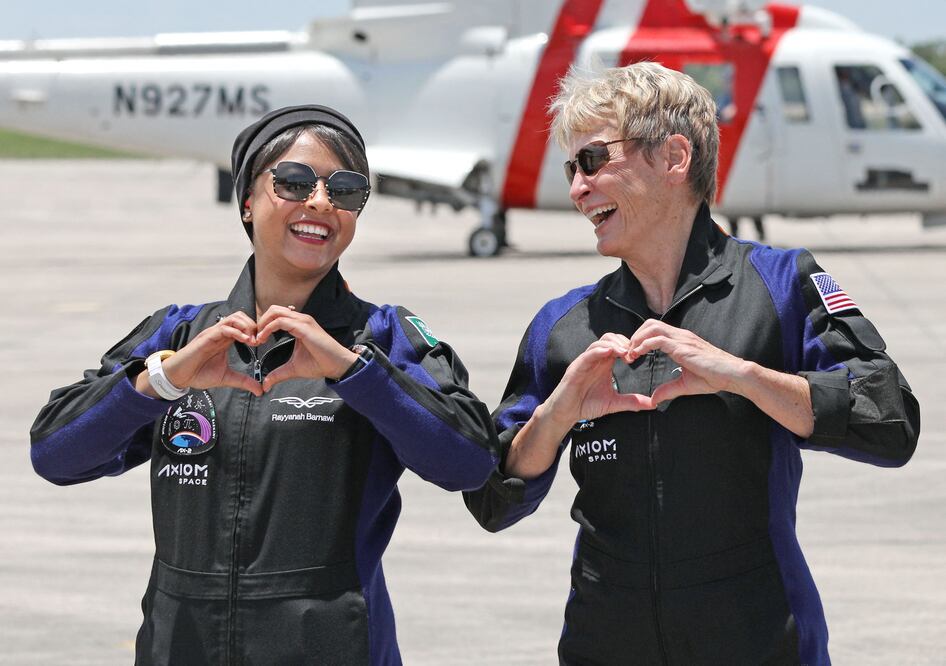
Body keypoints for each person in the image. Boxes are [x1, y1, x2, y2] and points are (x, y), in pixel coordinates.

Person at [464, 63, 919, 665]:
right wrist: (558, 413)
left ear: (675, 156)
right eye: (572, 168)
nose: (578, 187)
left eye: (595, 159)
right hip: (606, 642)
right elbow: (493, 498)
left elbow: (890, 420)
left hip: (761, 639)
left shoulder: (780, 284)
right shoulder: (564, 325)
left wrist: (740, 375)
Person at [30, 104, 499, 665]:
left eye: (346, 190)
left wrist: (355, 375)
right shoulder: (179, 334)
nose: (320, 203)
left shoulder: (382, 337)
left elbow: (471, 463)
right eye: (294, 182)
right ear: (248, 201)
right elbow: (55, 454)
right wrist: (160, 381)